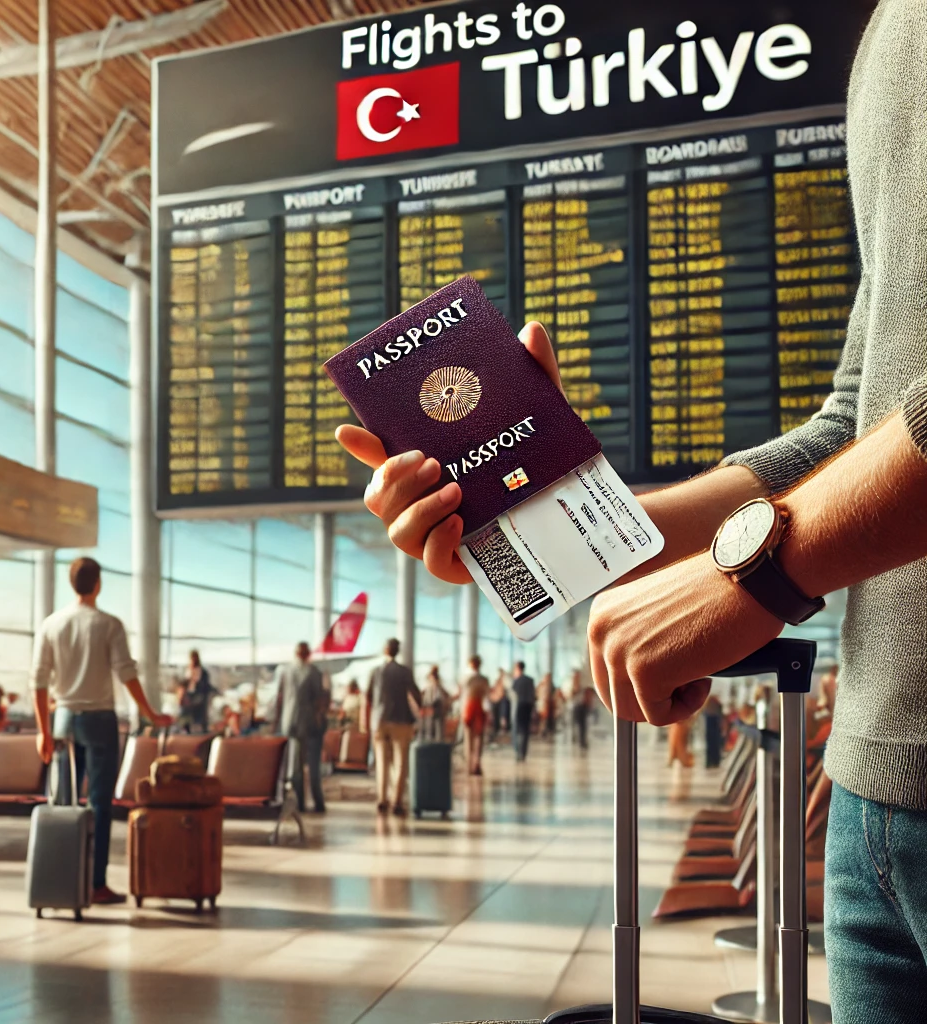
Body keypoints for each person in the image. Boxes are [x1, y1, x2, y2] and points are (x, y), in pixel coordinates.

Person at [336, 7, 927, 1011]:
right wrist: (568, 529)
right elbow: (857, 416)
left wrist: (764, 567)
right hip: (876, 794)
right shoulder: (888, 36)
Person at [31, 557, 172, 906]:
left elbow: (38, 681)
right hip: (99, 720)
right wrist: (150, 713)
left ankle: (64, 880)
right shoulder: (109, 625)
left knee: (63, 802)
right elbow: (126, 674)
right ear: (98, 584)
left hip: (62, 719)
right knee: (100, 802)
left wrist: (43, 731)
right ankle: (96, 883)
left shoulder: (52, 624)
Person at [367, 638, 421, 815]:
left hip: (379, 721)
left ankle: (382, 799)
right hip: (401, 719)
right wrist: (420, 708)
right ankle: (396, 801)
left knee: (382, 761)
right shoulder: (405, 672)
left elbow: (368, 696)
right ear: (398, 651)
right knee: (400, 762)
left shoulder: (376, 671)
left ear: (385, 650)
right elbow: (414, 692)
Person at [274, 642, 326, 815]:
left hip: (291, 722)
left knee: (295, 765)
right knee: (313, 764)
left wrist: (277, 721)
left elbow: (280, 698)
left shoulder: (285, 671)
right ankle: (318, 801)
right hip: (310, 722)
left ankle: (300, 802)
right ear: (308, 654)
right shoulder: (314, 672)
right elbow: (319, 699)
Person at [461, 656, 490, 776]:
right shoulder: (484, 679)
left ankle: (468, 766)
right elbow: (487, 697)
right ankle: (476, 764)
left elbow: (463, 696)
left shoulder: (466, 678)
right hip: (480, 708)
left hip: (468, 708)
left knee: (468, 739)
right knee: (479, 738)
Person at [177, 650, 215, 734]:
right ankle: (185, 728)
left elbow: (205, 686)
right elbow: (183, 684)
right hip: (188, 695)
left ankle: (202, 729)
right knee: (184, 711)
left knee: (199, 712)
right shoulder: (187, 671)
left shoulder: (202, 672)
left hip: (199, 695)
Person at [511, 661, 536, 762]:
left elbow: (513, 693)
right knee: (525, 729)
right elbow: (533, 694)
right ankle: (523, 752)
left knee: (517, 729)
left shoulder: (516, 680)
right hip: (528, 705)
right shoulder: (530, 680)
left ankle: (518, 751)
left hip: (519, 705)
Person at [422, 665, 450, 741]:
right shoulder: (436, 684)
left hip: (432, 705)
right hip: (435, 706)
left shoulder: (432, 684)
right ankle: (436, 741)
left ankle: (433, 741)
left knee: (431, 726)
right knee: (435, 726)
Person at [702, 694, 724, 770]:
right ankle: (713, 762)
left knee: (711, 745)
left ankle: (711, 762)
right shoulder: (716, 707)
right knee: (714, 745)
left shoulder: (709, 710)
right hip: (713, 728)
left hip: (712, 727)